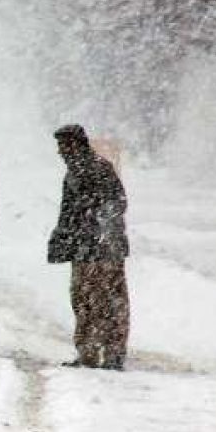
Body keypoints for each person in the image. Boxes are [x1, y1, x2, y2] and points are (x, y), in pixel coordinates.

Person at [47, 124, 130, 370]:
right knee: (86, 300)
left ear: (74, 145)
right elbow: (68, 213)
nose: (60, 152)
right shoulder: (76, 171)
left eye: (63, 146)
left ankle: (108, 354)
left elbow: (117, 203)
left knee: (104, 301)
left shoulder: (97, 168)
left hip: (102, 250)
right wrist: (62, 239)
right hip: (87, 248)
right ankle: (92, 353)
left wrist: (99, 231)